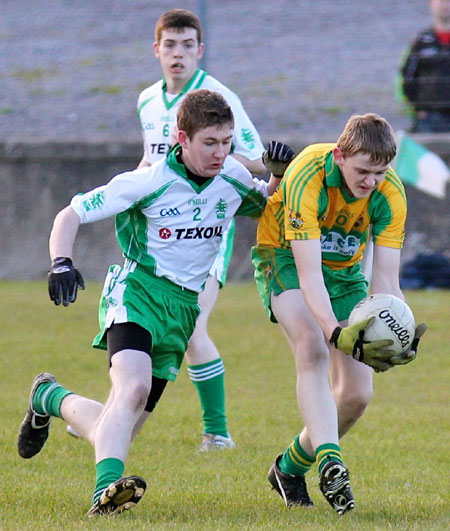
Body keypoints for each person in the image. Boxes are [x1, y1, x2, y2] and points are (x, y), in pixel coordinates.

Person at [17, 90, 290, 517]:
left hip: (182, 310)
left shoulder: (233, 177)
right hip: (137, 292)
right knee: (133, 389)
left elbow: (266, 207)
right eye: (210, 143)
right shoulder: (150, 180)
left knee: (119, 425)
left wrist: (275, 176)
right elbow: (69, 214)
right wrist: (61, 262)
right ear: (182, 138)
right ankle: (105, 495)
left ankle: (49, 397)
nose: (220, 153)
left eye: (226, 143)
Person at [253, 114, 427, 515]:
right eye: (362, 171)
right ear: (339, 156)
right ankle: (331, 461)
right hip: (284, 257)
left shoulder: (389, 193)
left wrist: (399, 333)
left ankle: (289, 468)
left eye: (379, 173)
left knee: (357, 394)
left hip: (346, 272)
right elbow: (310, 274)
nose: (370, 182)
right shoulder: (307, 175)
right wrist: (334, 333)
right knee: (312, 348)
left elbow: (386, 280)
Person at [135, 9, 266, 451]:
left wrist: (207, 158)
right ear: (156, 50)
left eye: (187, 45)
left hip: (205, 229)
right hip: (156, 233)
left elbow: (255, 158)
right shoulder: (147, 100)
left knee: (191, 327)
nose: (178, 54)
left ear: (200, 50)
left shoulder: (216, 97)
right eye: (170, 45)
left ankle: (218, 432)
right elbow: (149, 161)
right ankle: (114, 411)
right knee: (137, 324)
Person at [398, 0, 450, 132]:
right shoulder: (421, 41)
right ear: (431, 4)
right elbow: (407, 78)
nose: (444, 5)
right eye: (440, 1)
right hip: (429, 119)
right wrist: (418, 109)